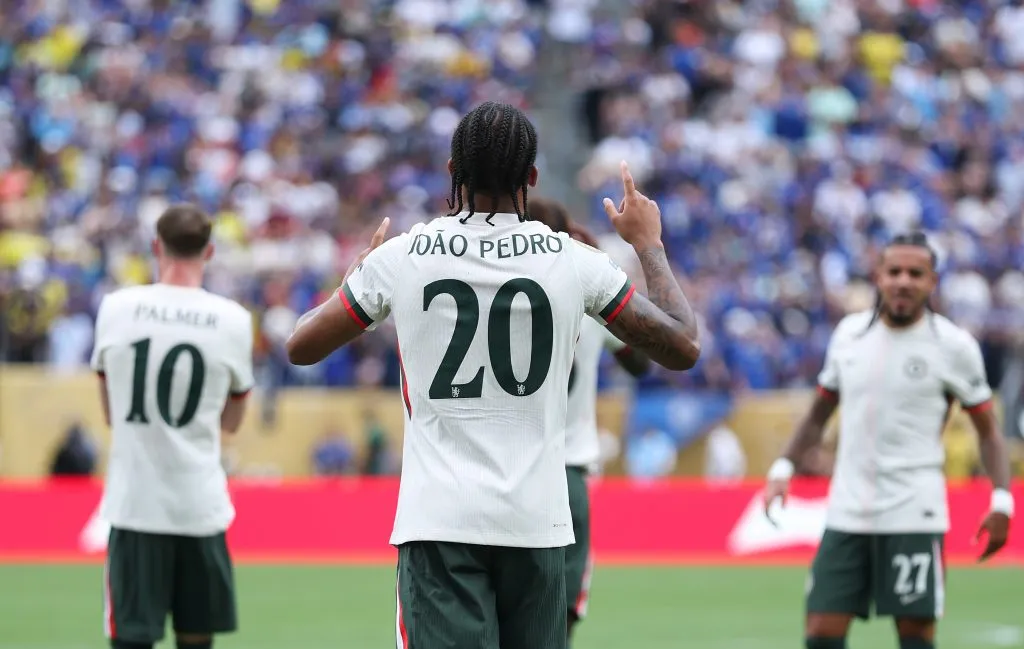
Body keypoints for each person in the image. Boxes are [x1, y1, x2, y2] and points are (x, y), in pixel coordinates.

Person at [286, 101, 701, 649]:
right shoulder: (574, 261)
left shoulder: (404, 255)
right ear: (531, 177)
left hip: (439, 522)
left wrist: (357, 275)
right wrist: (648, 245)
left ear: (452, 171)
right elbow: (683, 345)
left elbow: (300, 346)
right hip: (537, 521)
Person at [763, 231, 1014, 649]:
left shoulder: (954, 346)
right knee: (821, 633)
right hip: (847, 510)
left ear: (932, 281)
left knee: (915, 638)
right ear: (878, 276)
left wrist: (1002, 501)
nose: (903, 281)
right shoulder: (848, 335)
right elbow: (819, 413)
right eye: (894, 271)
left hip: (914, 511)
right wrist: (782, 467)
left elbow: (988, 430)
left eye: (915, 273)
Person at [90, 204, 255, 649]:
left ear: (155, 247)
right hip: (199, 505)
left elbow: (110, 412)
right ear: (209, 251)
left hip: (134, 504)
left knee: (132, 638)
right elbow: (232, 422)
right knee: (196, 639)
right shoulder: (233, 320)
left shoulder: (116, 308)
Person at [529, 198, 651, 645]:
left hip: (506, 463)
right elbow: (640, 362)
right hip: (567, 468)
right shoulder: (587, 297)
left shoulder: (495, 295)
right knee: (560, 610)